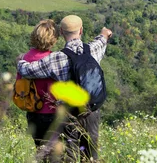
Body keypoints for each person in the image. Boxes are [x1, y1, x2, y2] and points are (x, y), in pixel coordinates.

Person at [17, 15, 113, 162]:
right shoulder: (93, 50)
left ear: (61, 32)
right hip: (91, 110)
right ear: (81, 30)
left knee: (69, 156)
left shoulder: (56, 58)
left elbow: (27, 71)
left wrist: (20, 61)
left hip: (69, 114)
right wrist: (105, 33)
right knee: (91, 156)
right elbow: (102, 39)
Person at [16, 19, 61, 159]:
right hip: (52, 114)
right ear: (53, 39)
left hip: (32, 112)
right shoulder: (54, 59)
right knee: (56, 156)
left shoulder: (24, 58)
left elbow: (20, 85)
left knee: (41, 153)